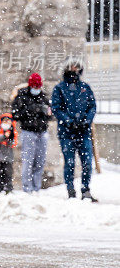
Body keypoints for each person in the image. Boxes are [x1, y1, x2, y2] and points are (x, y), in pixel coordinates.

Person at [51, 58, 97, 201]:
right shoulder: (60, 88)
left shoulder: (85, 87)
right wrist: (69, 121)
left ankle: (85, 189)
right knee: (70, 162)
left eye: (77, 67)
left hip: (83, 132)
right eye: (72, 67)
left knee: (87, 162)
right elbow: (56, 108)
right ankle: (71, 190)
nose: (75, 70)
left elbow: (92, 106)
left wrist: (86, 121)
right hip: (67, 132)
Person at [12, 72, 51, 193]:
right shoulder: (22, 96)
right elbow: (15, 114)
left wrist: (47, 112)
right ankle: (27, 188)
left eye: (38, 87)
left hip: (42, 132)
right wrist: (33, 109)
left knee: (39, 162)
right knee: (28, 162)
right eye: (34, 87)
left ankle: (36, 188)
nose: (36, 89)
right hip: (28, 132)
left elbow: (50, 114)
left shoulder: (44, 97)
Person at [0, 112, 18, 193]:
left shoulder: (13, 133)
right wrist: (4, 136)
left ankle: (8, 190)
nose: (6, 124)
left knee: (8, 175)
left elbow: (13, 143)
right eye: (4, 122)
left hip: (8, 158)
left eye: (8, 122)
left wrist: (10, 136)